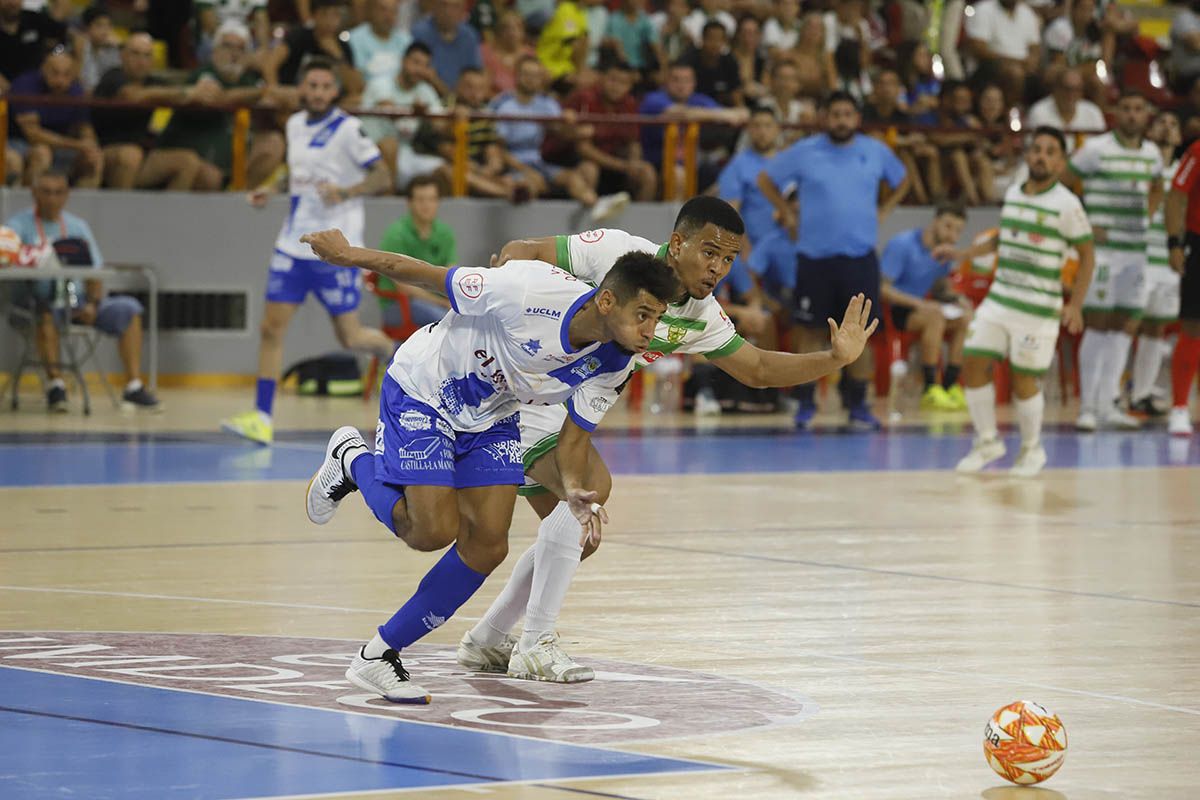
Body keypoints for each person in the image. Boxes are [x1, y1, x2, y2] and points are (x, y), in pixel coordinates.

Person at [458, 197, 878, 682]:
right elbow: (522, 249)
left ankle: (487, 639)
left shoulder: (701, 313)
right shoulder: (616, 250)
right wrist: (500, 286)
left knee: (575, 534)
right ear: (677, 243)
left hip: (561, 411)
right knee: (589, 496)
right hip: (518, 392)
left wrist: (834, 360)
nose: (717, 267)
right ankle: (534, 643)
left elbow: (758, 369)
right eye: (709, 252)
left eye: (728, 259)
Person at [300, 229, 682, 702]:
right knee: (430, 532)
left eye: (657, 318)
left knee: (486, 546)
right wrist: (348, 254)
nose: (650, 331)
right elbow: (426, 275)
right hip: (426, 390)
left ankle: (379, 655)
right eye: (642, 315)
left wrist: (575, 488)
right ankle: (353, 459)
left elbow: (572, 440)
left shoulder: (613, 362)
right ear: (606, 301)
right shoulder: (528, 289)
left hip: (496, 417)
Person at [221, 59, 395, 445]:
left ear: (334, 91)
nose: (317, 92)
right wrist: (271, 186)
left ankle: (393, 354)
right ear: (303, 89)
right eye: (311, 85)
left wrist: (346, 192)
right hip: (292, 244)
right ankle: (262, 419)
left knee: (349, 337)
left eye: (324, 86)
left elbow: (383, 175)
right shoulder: (295, 124)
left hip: (337, 247)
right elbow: (295, 171)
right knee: (271, 329)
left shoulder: (349, 129)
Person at [758, 91, 908, 430]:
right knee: (808, 331)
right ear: (825, 118)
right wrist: (787, 215)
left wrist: (885, 208)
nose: (841, 120)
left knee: (860, 333)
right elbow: (766, 180)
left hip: (860, 260)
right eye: (835, 113)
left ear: (856, 118)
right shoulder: (804, 152)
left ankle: (857, 405)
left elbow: (904, 180)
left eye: (847, 114)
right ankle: (806, 403)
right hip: (814, 259)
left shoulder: (875, 151)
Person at [955, 126, 1094, 477]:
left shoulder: (1067, 204)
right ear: (1028, 155)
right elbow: (1005, 237)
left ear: (1061, 163)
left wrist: (1074, 304)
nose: (1041, 156)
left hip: (1039, 309)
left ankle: (1032, 450)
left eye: (1050, 152)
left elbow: (1087, 256)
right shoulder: (1016, 190)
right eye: (1036, 150)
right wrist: (966, 252)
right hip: (1000, 299)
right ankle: (987, 442)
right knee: (972, 361)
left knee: (1024, 379)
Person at [4, 171, 160, 411]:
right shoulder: (16, 227)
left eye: (58, 193)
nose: (52, 199)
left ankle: (133, 386)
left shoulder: (78, 227)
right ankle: (55, 385)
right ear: (34, 193)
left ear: (66, 195)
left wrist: (92, 304)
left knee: (128, 309)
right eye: (45, 192)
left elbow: (94, 271)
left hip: (77, 302)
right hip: (36, 302)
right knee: (44, 313)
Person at [1066, 90, 1162, 431]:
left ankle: (1108, 404)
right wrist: (1084, 224)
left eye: (1139, 108)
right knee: (1098, 324)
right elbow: (1063, 181)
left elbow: (1156, 188)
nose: (1133, 115)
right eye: (1126, 108)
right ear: (1115, 113)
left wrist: (1148, 218)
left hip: (1137, 252)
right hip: (1103, 255)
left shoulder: (1152, 154)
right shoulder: (1095, 150)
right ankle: (1087, 408)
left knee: (1125, 326)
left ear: (1146, 114)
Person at [491, 56, 630, 221]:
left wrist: (570, 123)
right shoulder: (505, 106)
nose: (531, 80)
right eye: (527, 74)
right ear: (517, 76)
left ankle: (597, 205)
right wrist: (524, 170)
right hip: (516, 165)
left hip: (541, 162)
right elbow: (499, 149)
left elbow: (563, 131)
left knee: (573, 178)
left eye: (535, 76)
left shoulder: (547, 104)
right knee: (530, 185)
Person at [92, 32, 217, 191]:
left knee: (189, 161)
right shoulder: (113, 77)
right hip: (105, 153)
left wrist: (205, 90)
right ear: (122, 55)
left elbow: (186, 94)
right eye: (135, 54)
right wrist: (186, 93)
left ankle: (167, 214)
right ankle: (123, 214)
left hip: (145, 154)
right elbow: (132, 95)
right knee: (131, 155)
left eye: (147, 56)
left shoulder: (155, 82)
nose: (141, 61)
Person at [879, 202, 971, 410]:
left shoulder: (945, 254)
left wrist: (959, 300)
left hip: (925, 308)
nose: (952, 235)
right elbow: (881, 289)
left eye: (958, 230)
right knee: (935, 316)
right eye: (948, 227)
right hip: (896, 309)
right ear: (935, 222)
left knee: (964, 318)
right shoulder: (902, 245)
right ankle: (930, 388)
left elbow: (941, 288)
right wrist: (920, 303)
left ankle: (950, 385)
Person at [1133, 111, 1183, 417]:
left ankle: (1142, 394)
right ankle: (1111, 395)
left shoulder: (1183, 171)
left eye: (1173, 123)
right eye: (1162, 122)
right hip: (1137, 256)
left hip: (1166, 261)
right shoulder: (1140, 165)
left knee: (1155, 327)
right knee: (1126, 324)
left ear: (1179, 136)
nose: (1167, 126)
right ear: (1150, 132)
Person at [561, 60, 656, 202]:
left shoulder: (630, 104)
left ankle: (639, 223)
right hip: (580, 161)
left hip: (617, 163)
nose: (616, 87)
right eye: (613, 80)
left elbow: (633, 142)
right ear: (602, 78)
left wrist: (634, 163)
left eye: (623, 83)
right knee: (589, 170)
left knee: (646, 172)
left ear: (630, 86)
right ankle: (587, 223)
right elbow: (583, 149)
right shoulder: (584, 98)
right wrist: (622, 166)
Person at [8, 48, 103, 188]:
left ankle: (84, 207)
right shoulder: (25, 86)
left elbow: (84, 127)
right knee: (42, 154)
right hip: (17, 141)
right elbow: (33, 135)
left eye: (66, 74)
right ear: (43, 70)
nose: (60, 80)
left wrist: (90, 145)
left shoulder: (76, 91)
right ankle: (32, 205)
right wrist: (77, 145)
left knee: (95, 158)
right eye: (55, 72)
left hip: (60, 145)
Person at [360, 41, 446, 191]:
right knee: (389, 145)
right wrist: (414, 111)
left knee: (445, 172)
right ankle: (389, 207)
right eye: (415, 63)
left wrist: (438, 119)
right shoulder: (381, 83)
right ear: (403, 61)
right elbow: (388, 109)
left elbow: (441, 125)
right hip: (370, 153)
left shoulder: (425, 90)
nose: (419, 70)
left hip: (406, 154)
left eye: (425, 65)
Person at [376, 175, 455, 328]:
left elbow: (451, 275)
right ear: (409, 203)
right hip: (399, 303)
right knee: (448, 321)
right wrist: (443, 304)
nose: (426, 205)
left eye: (432, 199)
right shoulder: (396, 234)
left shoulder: (446, 233)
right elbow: (404, 287)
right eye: (420, 200)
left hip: (435, 301)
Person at [1164, 119, 1200, 437]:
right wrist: (1174, 242)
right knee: (1192, 325)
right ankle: (1178, 407)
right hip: (1198, 242)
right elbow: (1175, 196)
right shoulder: (1197, 151)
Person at [717, 106, 780, 247]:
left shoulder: (788, 163)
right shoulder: (737, 166)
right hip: (750, 248)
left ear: (777, 129)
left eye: (767, 126)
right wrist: (747, 253)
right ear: (749, 130)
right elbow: (731, 214)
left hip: (786, 250)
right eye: (756, 126)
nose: (762, 131)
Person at [964, 0, 1042, 106]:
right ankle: (1010, 112)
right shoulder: (983, 9)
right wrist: (1016, 62)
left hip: (1022, 67)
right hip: (989, 66)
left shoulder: (1028, 13)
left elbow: (1035, 48)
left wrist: (1031, 62)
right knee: (1014, 73)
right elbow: (978, 49)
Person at [411, 0, 482, 96]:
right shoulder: (419, 33)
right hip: (427, 97)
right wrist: (447, 94)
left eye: (455, 6)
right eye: (444, 5)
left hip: (462, 98)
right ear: (434, 7)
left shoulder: (470, 36)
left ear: (463, 11)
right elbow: (419, 72)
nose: (448, 11)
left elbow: (475, 74)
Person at [0, 0, 67, 90]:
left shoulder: (35, 19)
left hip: (39, 89)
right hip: (4, 92)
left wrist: (54, 57)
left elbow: (68, 37)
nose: (13, 2)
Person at [347, 0, 411, 89]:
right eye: (383, 10)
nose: (388, 16)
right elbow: (355, 78)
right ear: (371, 11)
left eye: (393, 11)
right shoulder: (354, 39)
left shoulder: (406, 40)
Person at [684, 20, 742, 107]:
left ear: (724, 42)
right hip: (691, 109)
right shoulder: (688, 60)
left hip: (722, 112)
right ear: (702, 39)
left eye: (719, 39)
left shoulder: (730, 62)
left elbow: (736, 96)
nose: (715, 43)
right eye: (711, 39)